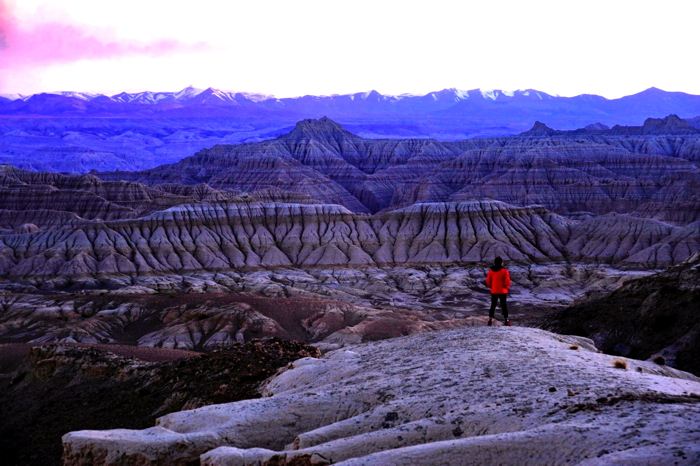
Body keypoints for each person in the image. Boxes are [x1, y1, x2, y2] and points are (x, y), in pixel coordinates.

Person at [485, 257, 511, 326]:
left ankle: (490, 320)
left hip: (494, 291)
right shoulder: (504, 271)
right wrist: (506, 287)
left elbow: (488, 281)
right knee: (504, 306)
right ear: (501, 262)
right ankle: (506, 320)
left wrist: (491, 287)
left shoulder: (491, 271)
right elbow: (507, 282)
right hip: (502, 291)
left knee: (493, 305)